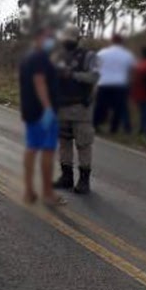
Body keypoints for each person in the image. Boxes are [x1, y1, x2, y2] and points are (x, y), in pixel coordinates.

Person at [19, 26, 65, 206]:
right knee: (47, 150)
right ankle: (47, 193)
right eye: (48, 37)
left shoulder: (28, 58)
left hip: (30, 110)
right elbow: (39, 82)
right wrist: (48, 108)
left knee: (31, 148)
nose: (50, 41)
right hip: (42, 112)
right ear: (38, 38)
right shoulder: (40, 58)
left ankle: (29, 190)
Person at [52, 25, 99, 195]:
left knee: (83, 144)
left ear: (78, 39)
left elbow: (94, 76)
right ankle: (67, 177)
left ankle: (84, 180)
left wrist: (72, 75)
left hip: (81, 109)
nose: (67, 43)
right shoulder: (59, 56)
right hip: (62, 108)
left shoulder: (88, 56)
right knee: (64, 144)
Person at [93, 34, 135, 134]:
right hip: (120, 84)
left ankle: (95, 125)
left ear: (111, 41)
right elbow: (132, 69)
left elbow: (95, 68)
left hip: (104, 83)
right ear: (122, 42)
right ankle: (114, 129)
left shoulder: (102, 53)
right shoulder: (127, 54)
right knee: (118, 108)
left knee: (101, 106)